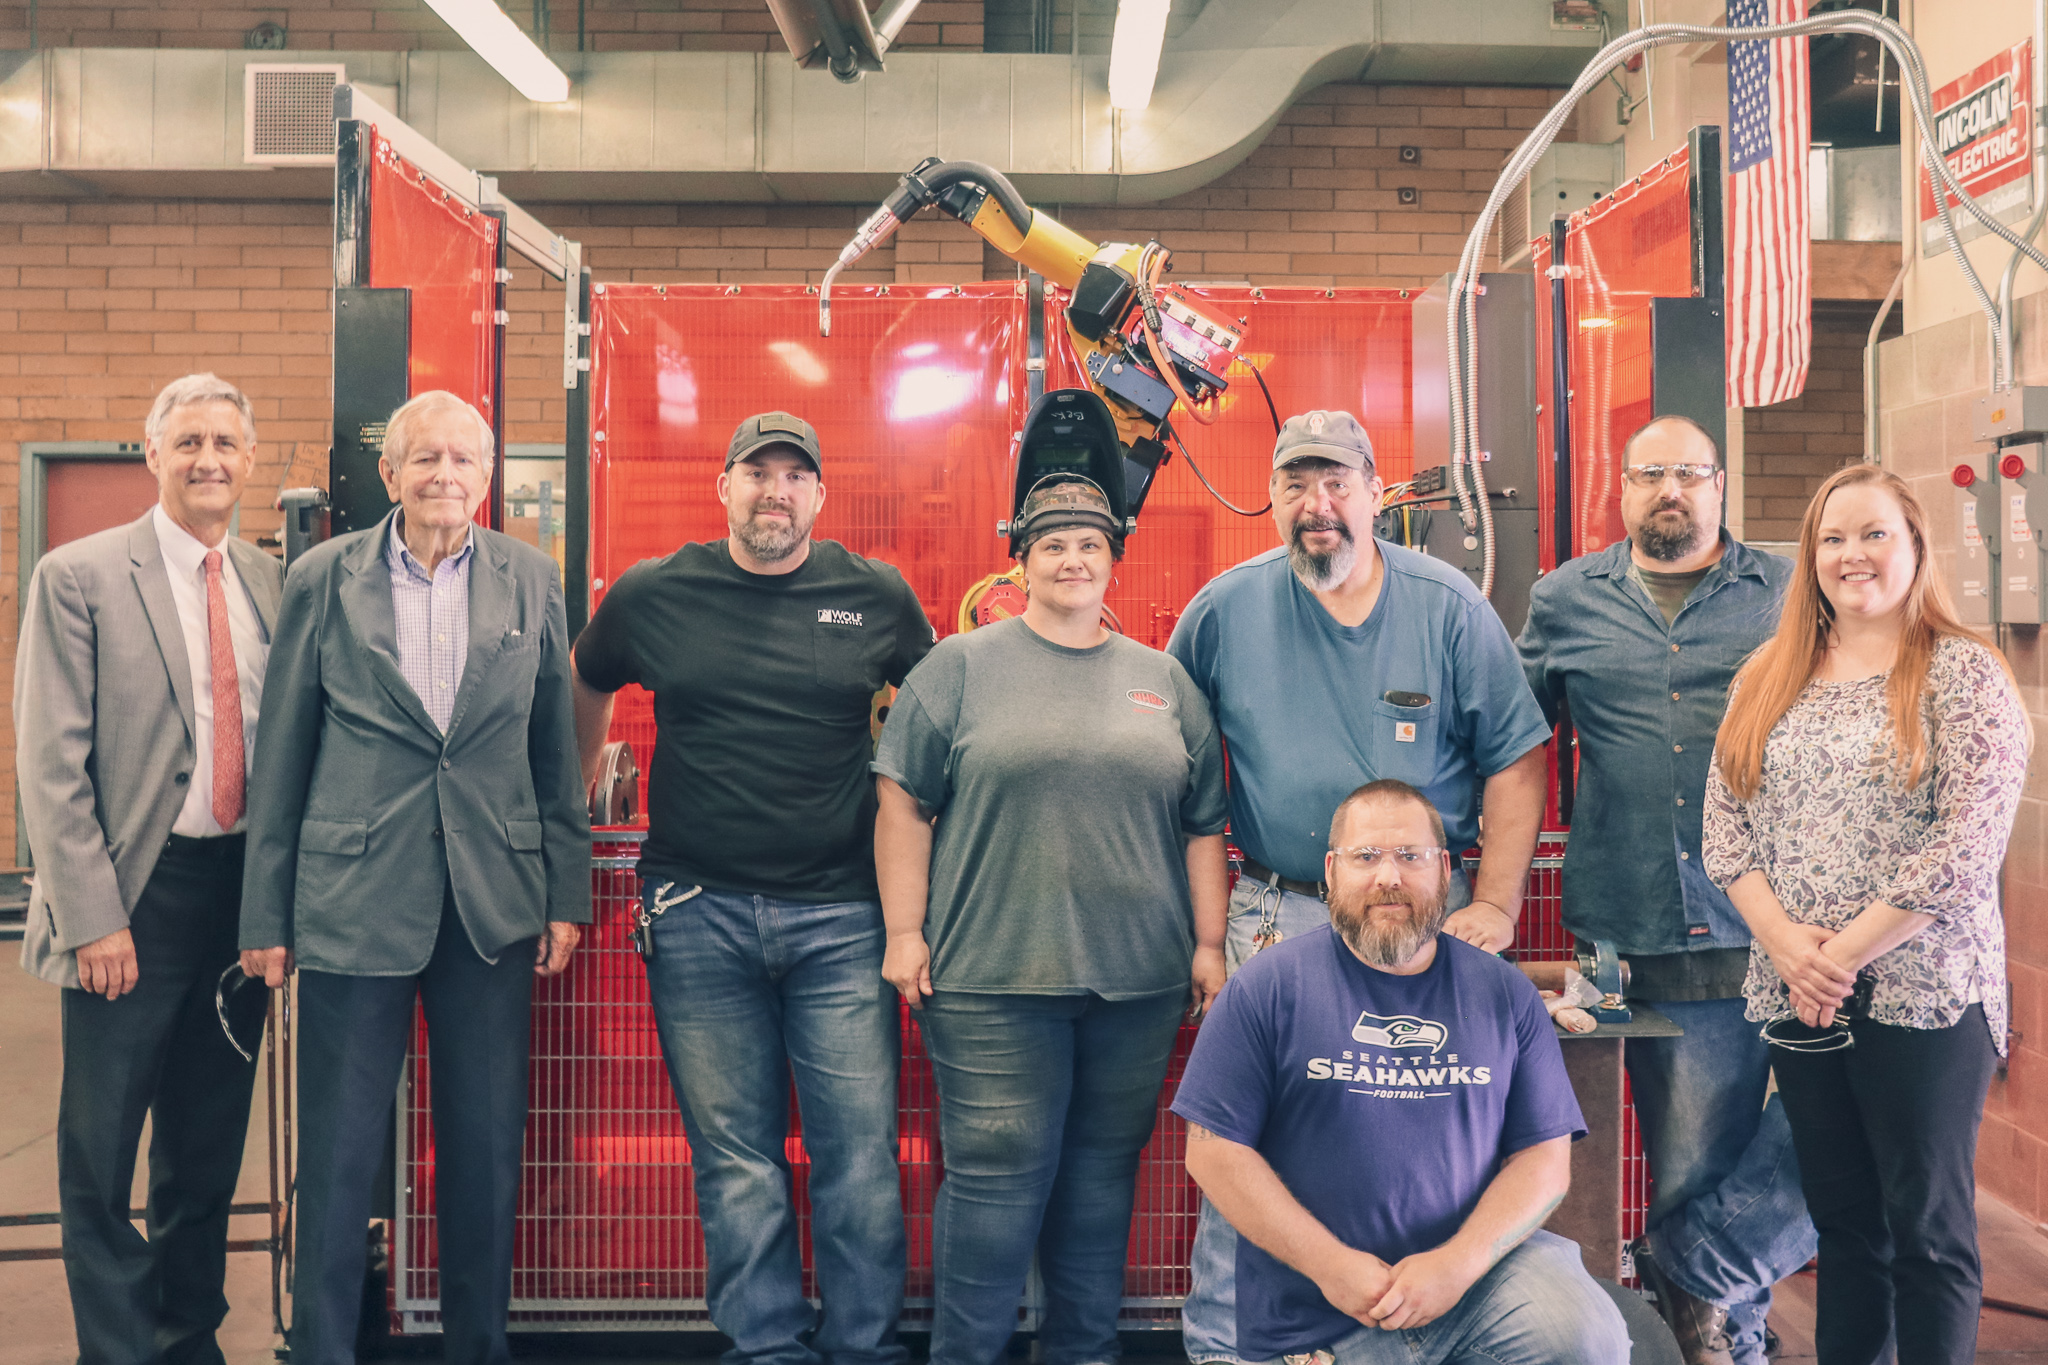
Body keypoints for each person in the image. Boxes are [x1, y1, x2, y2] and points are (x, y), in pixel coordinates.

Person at [1165, 410, 1552, 1365]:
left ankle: (1402, 1335)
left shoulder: (1448, 605)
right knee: (1239, 1150)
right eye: (1296, 483)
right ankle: (1227, 1349)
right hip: (1275, 916)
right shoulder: (1221, 611)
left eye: (1336, 481)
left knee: (1407, 1150)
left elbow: (1517, 758)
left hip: (1417, 925)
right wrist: (1207, 937)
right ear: (1274, 497)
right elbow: (1174, 769)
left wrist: (1495, 904)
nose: (1317, 504)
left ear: (1376, 491)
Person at [571, 411, 933, 1365]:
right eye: (756, 472)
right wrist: (572, 804)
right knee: (736, 1159)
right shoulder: (656, 592)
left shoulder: (875, 596)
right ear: (722, 485)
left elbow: (936, 715)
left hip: (846, 921)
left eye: (794, 476)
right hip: (697, 917)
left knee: (858, 1157)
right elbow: (586, 676)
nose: (775, 490)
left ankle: (862, 1346)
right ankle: (767, 1345)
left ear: (819, 494)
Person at [239, 390, 590, 1365]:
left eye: (462, 460)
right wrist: (266, 913)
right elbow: (282, 757)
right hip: (352, 903)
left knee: (482, 1154)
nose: (444, 475)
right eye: (423, 458)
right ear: (388, 475)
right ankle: (320, 1349)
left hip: (491, 905)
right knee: (340, 1157)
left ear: (488, 479)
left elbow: (550, 744)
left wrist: (565, 890)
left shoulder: (529, 577)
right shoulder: (320, 578)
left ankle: (477, 1347)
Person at [871, 476, 1230, 1365]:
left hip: (1139, 982)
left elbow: (1201, 827)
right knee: (995, 1187)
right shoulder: (958, 667)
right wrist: (905, 931)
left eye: (1090, 546)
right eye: (1053, 545)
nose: (1073, 560)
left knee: (1102, 1185)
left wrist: (1210, 943)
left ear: (1114, 561)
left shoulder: (1165, 681)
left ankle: (1083, 1352)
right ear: (1022, 561)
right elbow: (900, 800)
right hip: (991, 978)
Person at [1704, 464, 2028, 1365]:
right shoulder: (1768, 676)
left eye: (1874, 533)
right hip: (1801, 997)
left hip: (1925, 996)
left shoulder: (1964, 676)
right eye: (1833, 537)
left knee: (1926, 1230)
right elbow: (1725, 827)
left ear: (1915, 546)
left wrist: (1838, 952)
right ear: (1810, 557)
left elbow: (1966, 847)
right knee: (1843, 1228)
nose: (1852, 554)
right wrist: (1787, 947)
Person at [1516, 415, 1813, 1365]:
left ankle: (1711, 1298)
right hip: (1628, 929)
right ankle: (1689, 1339)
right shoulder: (1565, 598)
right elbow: (1512, 745)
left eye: (1690, 472)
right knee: (1644, 1168)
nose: (1671, 490)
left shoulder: (1785, 592)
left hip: (1775, 923)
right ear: (1623, 486)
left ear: (1720, 484)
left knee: (1804, 1145)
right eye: (1652, 474)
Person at [1173, 779, 1628, 1365]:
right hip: (1318, 1315)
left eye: (1409, 856)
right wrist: (1332, 1266)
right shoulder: (1264, 988)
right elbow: (1213, 1153)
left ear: (1443, 870)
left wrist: (1456, 1264)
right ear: (1332, 871)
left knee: (1588, 1337)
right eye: (1367, 857)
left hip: (1472, 1288)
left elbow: (1544, 1159)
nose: (1388, 876)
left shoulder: (1503, 993)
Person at [16, 373, 282, 1365]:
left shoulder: (270, 584)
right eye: (188, 442)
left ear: (249, 459)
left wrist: (276, 908)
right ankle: (118, 1351)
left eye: (225, 441)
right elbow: (52, 763)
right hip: (131, 897)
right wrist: (94, 918)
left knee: (205, 1146)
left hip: (238, 898)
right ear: (153, 454)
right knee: (100, 1152)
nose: (208, 459)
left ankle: (187, 1336)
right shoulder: (79, 577)